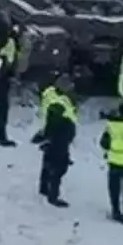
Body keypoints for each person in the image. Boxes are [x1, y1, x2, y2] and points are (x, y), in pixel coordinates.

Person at [33, 78, 78, 206]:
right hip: (60, 136)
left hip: (55, 136)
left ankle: (44, 188)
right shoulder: (60, 103)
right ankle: (53, 195)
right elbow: (55, 121)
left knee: (48, 160)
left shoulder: (51, 93)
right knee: (58, 167)